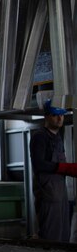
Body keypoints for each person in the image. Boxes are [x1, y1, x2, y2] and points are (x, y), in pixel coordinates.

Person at [29, 99, 77, 242]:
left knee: (63, 235)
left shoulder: (57, 138)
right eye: (55, 115)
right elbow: (38, 164)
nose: (59, 118)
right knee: (51, 237)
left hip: (60, 194)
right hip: (48, 195)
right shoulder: (40, 137)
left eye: (61, 115)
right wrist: (65, 168)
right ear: (47, 116)